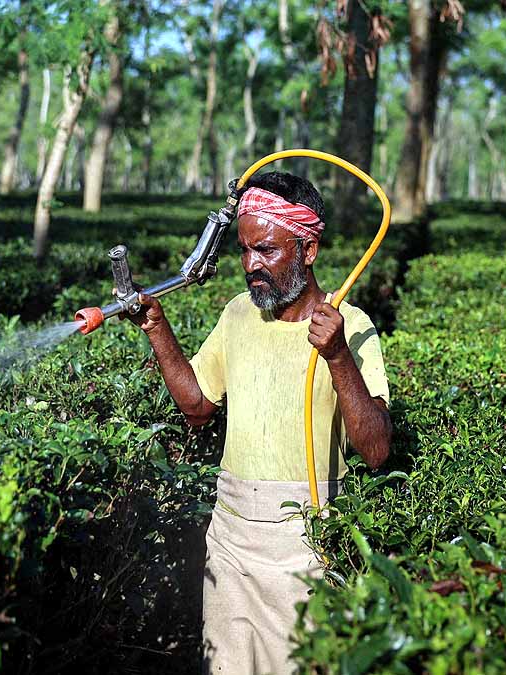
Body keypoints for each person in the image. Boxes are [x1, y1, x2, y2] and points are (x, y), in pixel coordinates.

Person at [123, 171, 393, 674]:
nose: (252, 266)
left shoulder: (351, 327)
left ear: (308, 249)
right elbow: (198, 406)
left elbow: (376, 450)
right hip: (230, 537)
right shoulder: (238, 314)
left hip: (304, 543)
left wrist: (336, 355)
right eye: (245, 251)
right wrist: (157, 328)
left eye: (266, 250)